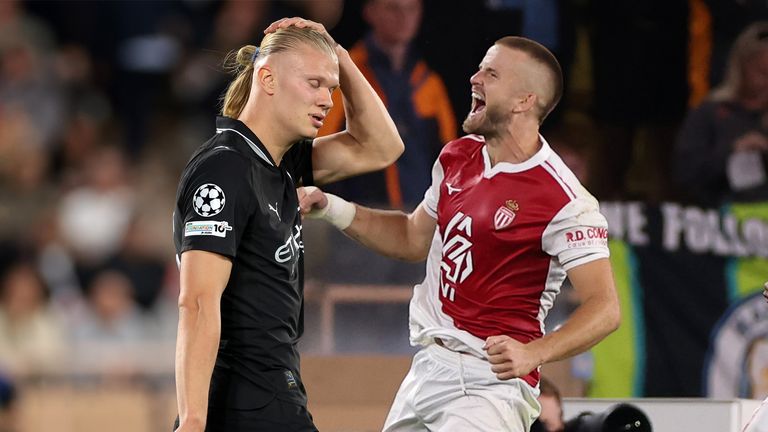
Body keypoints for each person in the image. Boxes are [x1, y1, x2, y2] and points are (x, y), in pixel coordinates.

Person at [300, 36, 620, 431]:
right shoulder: (458, 157)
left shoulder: (565, 199)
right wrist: (331, 208)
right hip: (427, 370)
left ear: (524, 101)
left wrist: (534, 353)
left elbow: (605, 308)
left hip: (489, 386)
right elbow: (411, 238)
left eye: (492, 73)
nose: (475, 78)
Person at [172, 17, 403, 432]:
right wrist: (191, 420)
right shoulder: (224, 169)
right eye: (314, 83)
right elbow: (198, 302)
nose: (329, 101)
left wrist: (340, 57)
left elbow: (382, 146)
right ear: (268, 79)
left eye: (331, 89)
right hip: (246, 397)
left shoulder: (281, 164)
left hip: (275, 388)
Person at [318, 0, 456, 210]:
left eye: (411, 8)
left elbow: (450, 161)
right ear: (369, 12)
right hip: (357, 218)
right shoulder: (343, 74)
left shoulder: (429, 82)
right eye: (393, 8)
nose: (404, 17)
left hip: (420, 218)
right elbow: (318, 152)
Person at [675, 21, 768, 205]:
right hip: (716, 218)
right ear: (741, 67)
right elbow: (684, 174)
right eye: (763, 73)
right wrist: (731, 152)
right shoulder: (710, 112)